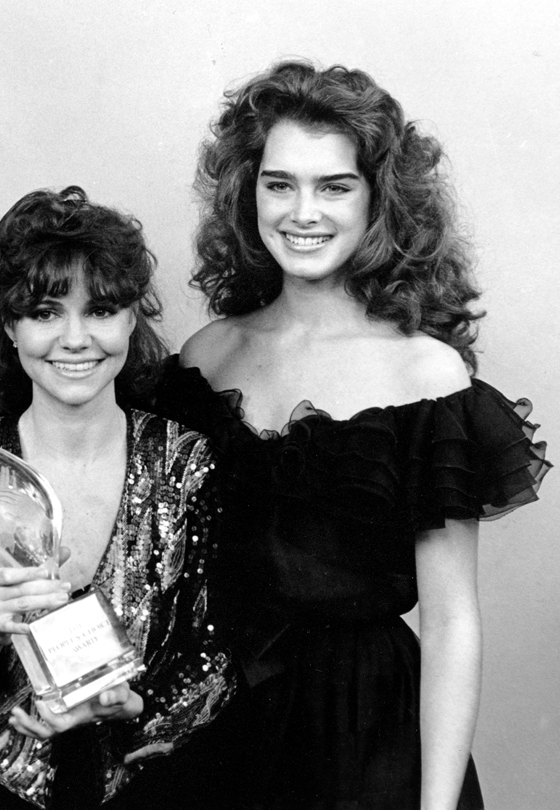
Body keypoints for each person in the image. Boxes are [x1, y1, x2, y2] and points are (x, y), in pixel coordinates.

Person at [152, 60, 551, 809]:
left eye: (334, 185)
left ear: (379, 200)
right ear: (249, 193)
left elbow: (452, 619)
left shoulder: (426, 376)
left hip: (369, 737)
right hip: (221, 727)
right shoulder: (206, 357)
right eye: (280, 184)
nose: (304, 211)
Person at [0, 187, 236, 809]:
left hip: (147, 794)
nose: (76, 338)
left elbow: (215, 656)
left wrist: (135, 705)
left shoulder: (188, 465)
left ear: (133, 316)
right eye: (45, 312)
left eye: (102, 309)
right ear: (8, 323)